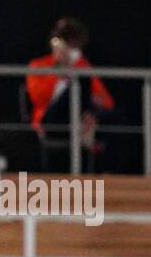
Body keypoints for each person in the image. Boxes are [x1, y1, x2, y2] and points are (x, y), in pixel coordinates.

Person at [24, 17, 114, 171]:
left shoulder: (83, 66)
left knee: (85, 86)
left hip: (80, 120)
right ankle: (87, 139)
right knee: (77, 85)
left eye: (73, 46)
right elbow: (39, 98)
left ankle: (106, 165)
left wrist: (92, 110)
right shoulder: (39, 65)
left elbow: (107, 102)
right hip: (51, 120)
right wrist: (60, 71)